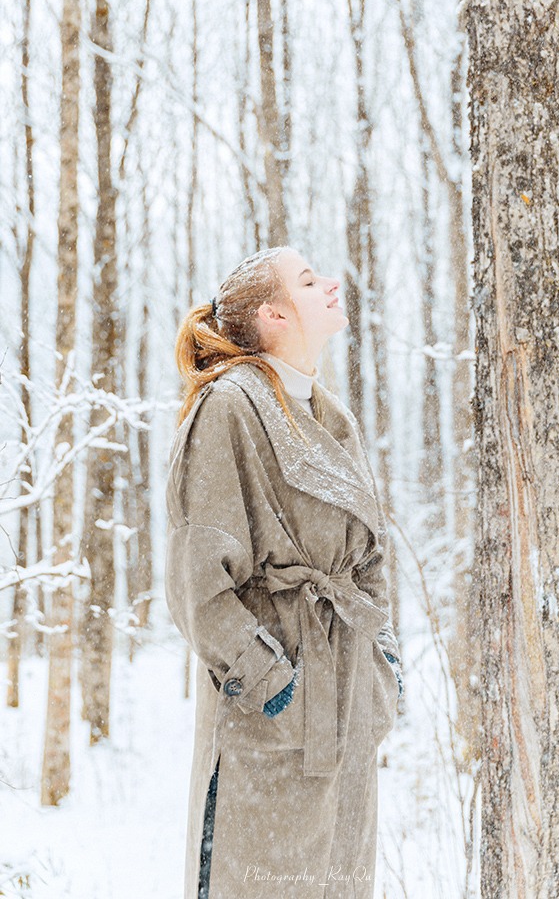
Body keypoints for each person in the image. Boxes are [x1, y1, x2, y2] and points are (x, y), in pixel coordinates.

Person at [165, 246, 403, 899]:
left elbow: (368, 556)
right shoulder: (229, 408)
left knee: (339, 881)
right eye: (307, 279)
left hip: (348, 700)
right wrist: (275, 686)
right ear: (273, 314)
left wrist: (381, 665)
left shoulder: (330, 414)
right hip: (273, 713)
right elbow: (196, 583)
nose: (330, 283)